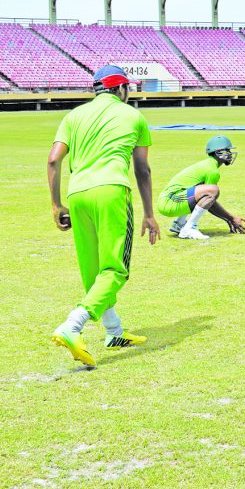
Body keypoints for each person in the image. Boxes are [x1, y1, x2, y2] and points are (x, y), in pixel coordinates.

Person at [47, 65, 159, 367]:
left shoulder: (73, 116)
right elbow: (142, 169)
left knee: (93, 270)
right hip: (111, 192)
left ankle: (114, 332)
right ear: (120, 89)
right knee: (116, 270)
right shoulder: (134, 116)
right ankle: (72, 326)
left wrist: (56, 206)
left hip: (78, 195)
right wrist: (149, 214)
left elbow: (54, 160)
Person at [159, 135, 245, 240]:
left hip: (169, 200)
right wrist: (231, 218)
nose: (230, 154)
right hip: (170, 202)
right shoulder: (212, 170)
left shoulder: (207, 164)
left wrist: (229, 219)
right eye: (227, 150)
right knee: (213, 190)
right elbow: (211, 200)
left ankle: (179, 224)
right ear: (218, 152)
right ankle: (188, 228)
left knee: (203, 191)